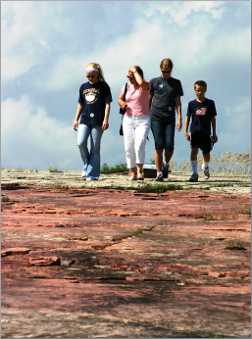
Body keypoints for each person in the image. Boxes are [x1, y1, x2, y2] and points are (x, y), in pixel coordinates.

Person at [72, 62, 112, 180]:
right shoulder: (83, 87)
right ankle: (86, 165)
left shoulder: (104, 86)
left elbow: (107, 104)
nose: (90, 78)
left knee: (95, 147)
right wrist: (76, 119)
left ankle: (93, 174)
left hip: (98, 121)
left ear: (97, 74)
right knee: (81, 143)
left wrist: (106, 119)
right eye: (88, 76)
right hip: (84, 119)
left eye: (92, 76)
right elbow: (80, 104)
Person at [150, 58, 183, 181]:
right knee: (159, 145)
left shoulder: (176, 83)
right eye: (164, 71)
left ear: (171, 70)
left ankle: (166, 163)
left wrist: (179, 117)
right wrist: (146, 116)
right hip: (155, 116)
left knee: (169, 146)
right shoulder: (154, 82)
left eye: (168, 71)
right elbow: (149, 99)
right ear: (161, 69)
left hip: (169, 117)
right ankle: (158, 173)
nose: (166, 73)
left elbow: (178, 102)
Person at [118, 65, 150, 180]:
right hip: (128, 119)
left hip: (143, 119)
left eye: (132, 76)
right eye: (128, 76)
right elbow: (120, 98)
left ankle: (140, 170)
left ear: (138, 75)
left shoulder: (146, 85)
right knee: (128, 146)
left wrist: (135, 70)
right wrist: (122, 103)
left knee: (139, 144)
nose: (129, 78)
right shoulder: (126, 86)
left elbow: (141, 83)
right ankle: (132, 172)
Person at [184, 80, 218, 182]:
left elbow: (213, 119)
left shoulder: (210, 103)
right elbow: (188, 118)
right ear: (195, 90)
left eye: (201, 90)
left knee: (206, 154)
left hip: (206, 133)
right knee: (193, 151)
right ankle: (194, 174)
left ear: (205, 90)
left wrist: (214, 133)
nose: (199, 92)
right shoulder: (191, 104)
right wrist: (186, 131)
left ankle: (206, 166)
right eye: (197, 90)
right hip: (194, 132)